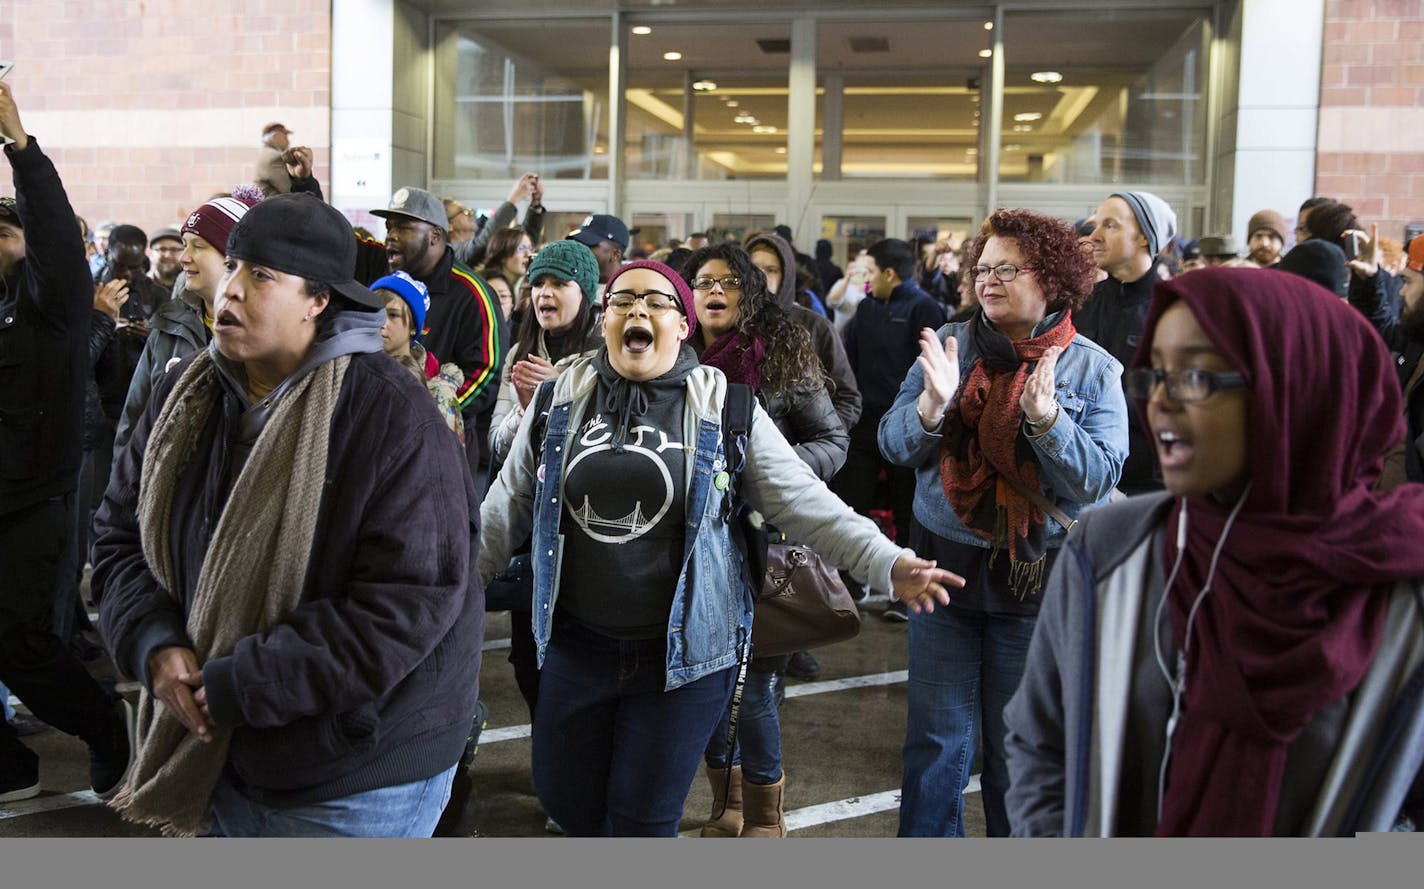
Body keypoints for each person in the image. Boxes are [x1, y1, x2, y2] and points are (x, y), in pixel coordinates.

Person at [477, 259, 963, 837]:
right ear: (604, 319)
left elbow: (805, 502)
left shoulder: (726, 407)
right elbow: (503, 510)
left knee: (640, 822)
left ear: (682, 326)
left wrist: (888, 562)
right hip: (575, 648)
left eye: (657, 302)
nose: (638, 310)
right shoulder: (560, 400)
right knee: (566, 800)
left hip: (683, 661)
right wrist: (447, 595)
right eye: (623, 300)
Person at [91, 193, 485, 837]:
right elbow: (116, 535)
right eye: (236, 265)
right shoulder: (183, 396)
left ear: (319, 301)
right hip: (217, 744)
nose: (231, 290)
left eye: (262, 276)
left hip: (357, 764)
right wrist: (153, 643)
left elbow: (405, 601)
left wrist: (241, 683)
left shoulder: (390, 416)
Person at [1004, 266, 1424, 836]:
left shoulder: (1403, 595)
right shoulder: (1109, 552)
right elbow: (1040, 743)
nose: (1160, 404)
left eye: (1195, 377)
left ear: (1297, 388)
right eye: (1154, 376)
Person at [878, 209, 1129, 837]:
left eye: (1007, 269)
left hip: (1035, 582)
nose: (989, 280)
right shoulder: (950, 346)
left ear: (1051, 278)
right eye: (983, 268)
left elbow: (1095, 479)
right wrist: (931, 411)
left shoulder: (1091, 369)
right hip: (941, 570)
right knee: (935, 740)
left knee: (1019, 750)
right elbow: (890, 444)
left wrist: (1048, 424)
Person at [682, 243, 849, 836]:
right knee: (701, 680)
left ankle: (763, 815)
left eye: (727, 281)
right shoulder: (668, 355)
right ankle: (724, 802)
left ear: (750, 292)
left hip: (765, 542)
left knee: (752, 690)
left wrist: (767, 470)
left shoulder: (781, 353)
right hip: (689, 546)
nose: (713, 291)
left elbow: (832, 440)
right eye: (701, 281)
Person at [0, 79, 133, 806]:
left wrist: (21, 148)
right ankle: (9, 763)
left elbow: (51, 235)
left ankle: (104, 723)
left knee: (24, 646)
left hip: (31, 506)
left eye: (5, 226)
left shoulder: (50, 312)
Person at [835, 238, 947, 616]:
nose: (865, 282)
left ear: (888, 273)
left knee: (907, 507)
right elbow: (850, 362)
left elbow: (933, 371)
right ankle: (853, 579)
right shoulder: (866, 308)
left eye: (869, 274)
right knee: (852, 502)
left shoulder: (925, 308)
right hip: (864, 425)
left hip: (908, 428)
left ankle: (909, 587)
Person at [114, 186, 264, 451]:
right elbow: (135, 422)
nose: (184, 258)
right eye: (185, 245)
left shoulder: (268, 336)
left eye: (199, 246)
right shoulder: (167, 325)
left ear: (232, 257)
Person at [1078, 190, 1177, 496]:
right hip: (1079, 474)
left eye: (1110, 225)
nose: (1093, 236)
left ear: (1145, 238)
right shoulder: (1082, 304)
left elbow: (1173, 395)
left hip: (1145, 482)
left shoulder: (1174, 311)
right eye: (1095, 225)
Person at [375, 270, 465, 442]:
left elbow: (449, 460)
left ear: (414, 326)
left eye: (393, 315)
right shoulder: (352, 369)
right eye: (375, 312)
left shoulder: (438, 393)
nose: (381, 323)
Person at [481, 226, 534, 295]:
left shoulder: (522, 284)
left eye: (530, 249)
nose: (528, 254)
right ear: (502, 255)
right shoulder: (492, 286)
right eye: (521, 248)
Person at [253, 122, 297, 198]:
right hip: (273, 206)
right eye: (285, 137)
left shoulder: (266, 152)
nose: (288, 142)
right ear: (275, 137)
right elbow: (289, 189)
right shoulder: (275, 157)